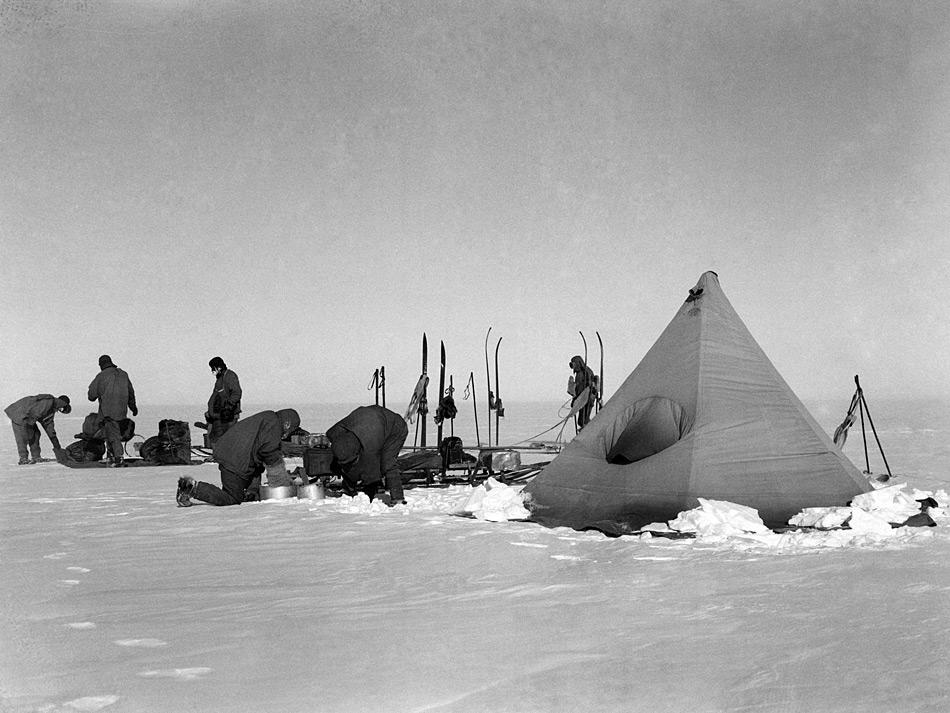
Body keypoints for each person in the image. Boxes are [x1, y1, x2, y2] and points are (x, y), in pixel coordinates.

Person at [176, 408, 300, 507]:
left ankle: (251, 493)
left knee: (256, 468)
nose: (287, 434)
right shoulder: (274, 426)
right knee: (232, 498)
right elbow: (270, 453)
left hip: (233, 453)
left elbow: (259, 452)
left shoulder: (269, 418)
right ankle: (191, 488)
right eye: (291, 430)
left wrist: (254, 489)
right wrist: (281, 483)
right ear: (287, 424)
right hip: (233, 458)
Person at [327, 405, 409, 506]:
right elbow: (330, 435)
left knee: (387, 463)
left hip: (395, 429)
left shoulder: (370, 447)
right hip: (372, 420)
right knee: (349, 461)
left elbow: (372, 476)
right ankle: (349, 489)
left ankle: (398, 498)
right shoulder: (335, 432)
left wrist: (368, 495)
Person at [87, 355, 138, 467]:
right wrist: (133, 407)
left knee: (113, 435)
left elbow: (91, 396)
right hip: (122, 412)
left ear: (101, 365)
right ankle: (111, 456)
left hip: (108, 412)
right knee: (112, 433)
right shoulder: (124, 374)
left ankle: (118, 458)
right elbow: (131, 392)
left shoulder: (101, 376)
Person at [4, 394, 71, 464]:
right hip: (18, 413)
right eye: (63, 409)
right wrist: (29, 428)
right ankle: (23, 458)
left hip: (28, 416)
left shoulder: (51, 408)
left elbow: (49, 426)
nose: (61, 410)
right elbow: (35, 412)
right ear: (63, 404)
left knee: (36, 434)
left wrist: (57, 446)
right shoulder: (48, 402)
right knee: (22, 436)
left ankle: (36, 457)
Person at [205, 356, 242, 446]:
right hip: (219, 416)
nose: (212, 371)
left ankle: (226, 457)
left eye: (213, 368)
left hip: (228, 416)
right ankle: (218, 455)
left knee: (227, 438)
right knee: (215, 437)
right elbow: (216, 396)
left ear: (219, 368)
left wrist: (229, 406)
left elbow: (237, 393)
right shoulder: (220, 379)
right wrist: (210, 412)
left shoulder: (230, 376)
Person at [569, 355, 596, 431]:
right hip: (587, 399)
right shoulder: (585, 371)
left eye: (573, 363)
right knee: (583, 420)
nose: (572, 366)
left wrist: (575, 400)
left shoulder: (582, 373)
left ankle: (589, 433)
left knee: (583, 421)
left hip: (585, 399)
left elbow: (580, 389)